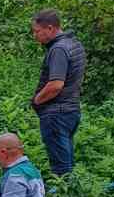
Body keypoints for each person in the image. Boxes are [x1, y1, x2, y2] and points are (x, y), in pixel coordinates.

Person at [30, 9, 86, 176]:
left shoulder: (59, 50)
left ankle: (64, 191)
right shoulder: (73, 44)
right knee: (67, 162)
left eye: (37, 31)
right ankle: (72, 188)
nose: (35, 36)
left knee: (61, 168)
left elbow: (56, 85)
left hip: (57, 115)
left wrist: (37, 100)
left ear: (50, 28)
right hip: (71, 111)